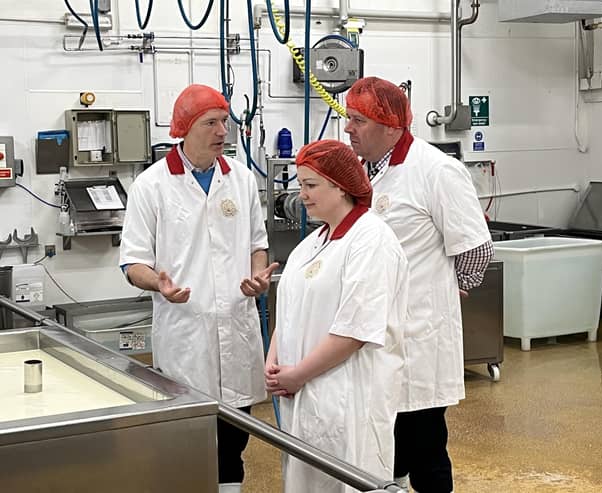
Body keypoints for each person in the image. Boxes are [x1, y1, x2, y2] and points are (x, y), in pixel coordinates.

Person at [119, 84, 277, 493]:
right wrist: (159, 283)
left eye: (225, 121)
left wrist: (258, 276)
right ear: (185, 129)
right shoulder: (152, 186)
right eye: (211, 122)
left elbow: (257, 243)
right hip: (186, 333)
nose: (222, 130)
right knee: (187, 438)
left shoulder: (240, 179)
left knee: (234, 440)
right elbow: (133, 262)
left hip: (236, 326)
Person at [344, 77, 493, 493]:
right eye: (347, 118)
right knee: (382, 445)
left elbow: (477, 248)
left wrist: (450, 289)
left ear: (391, 126)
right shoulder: (361, 172)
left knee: (425, 446)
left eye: (357, 120)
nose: (348, 128)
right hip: (372, 334)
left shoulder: (436, 170)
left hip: (418, 336)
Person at [265, 140, 410, 493]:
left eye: (311, 185)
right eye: (300, 185)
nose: (302, 196)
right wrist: (274, 362)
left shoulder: (371, 240)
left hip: (349, 396)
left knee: (350, 479)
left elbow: (355, 331)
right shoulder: (313, 242)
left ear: (341, 186)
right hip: (303, 392)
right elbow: (289, 310)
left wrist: (297, 374)